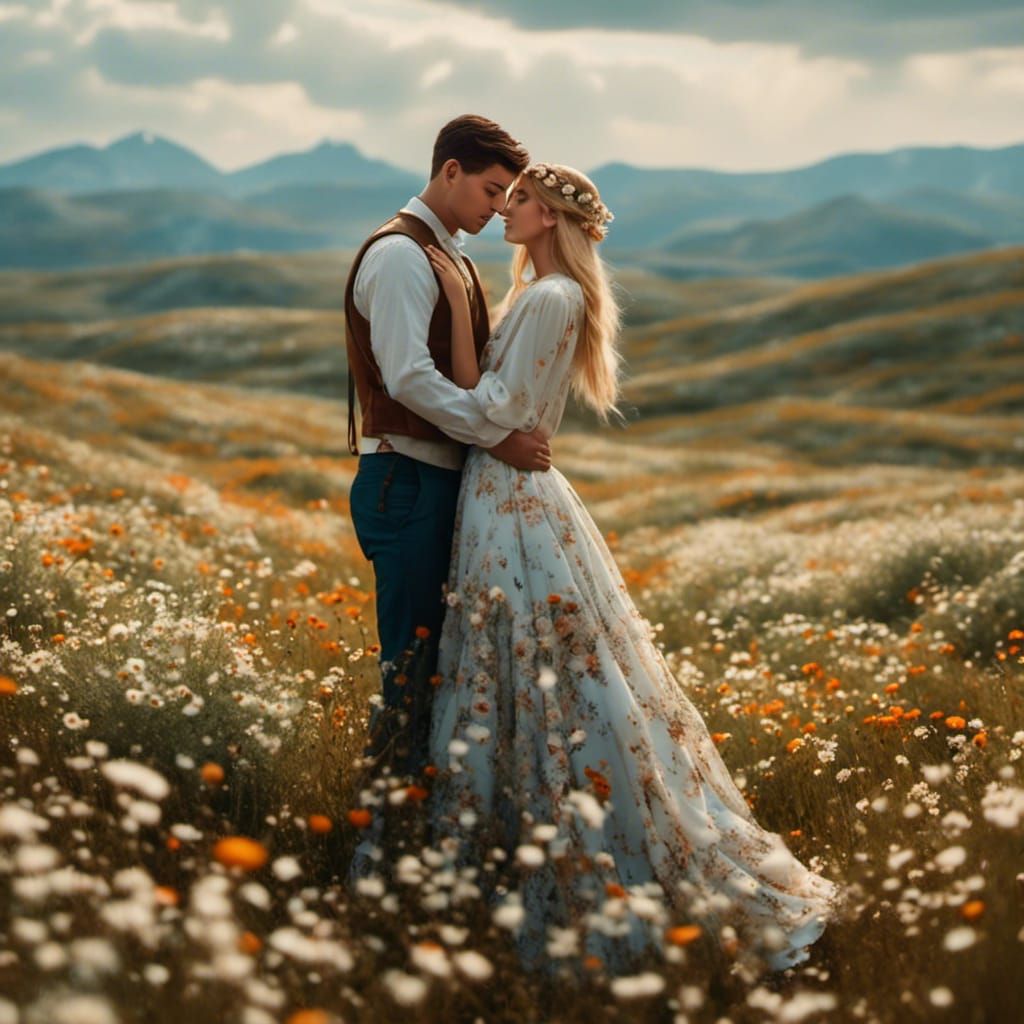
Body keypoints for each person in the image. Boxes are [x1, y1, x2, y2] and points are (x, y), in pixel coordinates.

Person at [421, 162, 842, 977]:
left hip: (512, 496)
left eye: (520, 202)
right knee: (532, 663)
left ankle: (577, 858)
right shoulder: (544, 294)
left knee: (539, 665)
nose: (505, 212)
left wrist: (449, 367)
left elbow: (498, 412)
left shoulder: (550, 298)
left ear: (548, 218)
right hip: (506, 492)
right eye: (505, 198)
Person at [344, 115, 551, 783]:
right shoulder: (402, 254)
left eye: (506, 196)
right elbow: (408, 377)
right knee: (410, 662)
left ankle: (416, 815)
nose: (497, 210)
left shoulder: (448, 254)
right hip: (403, 480)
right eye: (492, 191)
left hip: (432, 481)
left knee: (441, 663)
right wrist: (497, 436)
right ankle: (381, 823)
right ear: (450, 171)